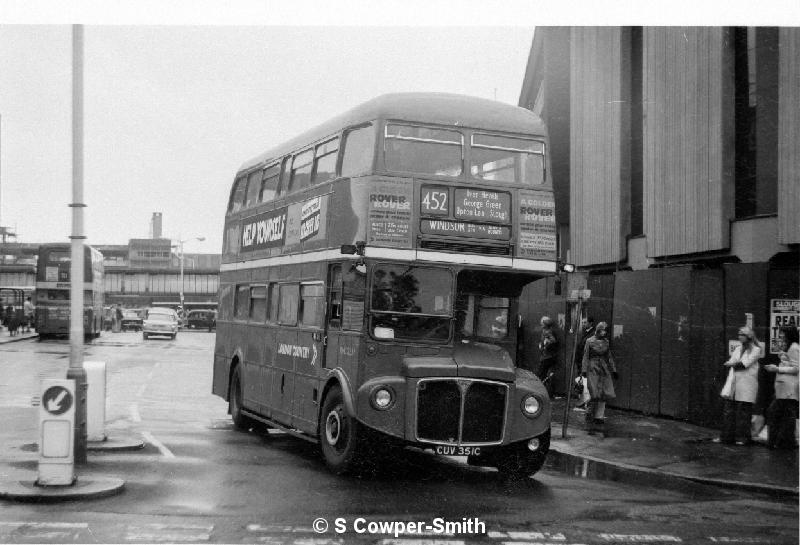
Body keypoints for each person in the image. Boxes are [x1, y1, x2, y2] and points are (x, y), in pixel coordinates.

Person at [717, 326, 762, 445]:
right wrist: (733, 364)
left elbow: (744, 364)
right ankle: (726, 437)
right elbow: (733, 362)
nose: (739, 337)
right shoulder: (737, 349)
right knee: (729, 410)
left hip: (746, 384)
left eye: (742, 334)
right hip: (734, 383)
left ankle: (743, 438)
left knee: (744, 412)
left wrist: (732, 364)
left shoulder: (756, 350)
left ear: (749, 337)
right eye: (739, 334)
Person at [764, 327, 799, 449]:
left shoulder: (794, 347)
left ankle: (781, 442)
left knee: (779, 413)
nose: (780, 337)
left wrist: (777, 368)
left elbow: (796, 368)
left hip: (788, 388)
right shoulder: (790, 346)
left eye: (782, 335)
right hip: (784, 387)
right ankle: (783, 442)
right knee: (783, 414)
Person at [581, 321, 618, 434]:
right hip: (593, 368)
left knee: (603, 392)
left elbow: (609, 356)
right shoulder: (589, 341)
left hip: (603, 368)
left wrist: (614, 369)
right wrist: (584, 370)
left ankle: (599, 416)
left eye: (605, 330)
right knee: (594, 392)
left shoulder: (606, 342)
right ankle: (589, 412)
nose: (604, 332)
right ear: (598, 330)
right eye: (603, 330)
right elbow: (586, 356)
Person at [537, 316, 559, 397]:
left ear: (545, 324)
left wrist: (546, 343)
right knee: (548, 375)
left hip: (547, 357)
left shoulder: (547, 332)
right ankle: (549, 392)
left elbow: (553, 340)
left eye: (542, 323)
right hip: (550, 356)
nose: (541, 324)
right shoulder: (547, 331)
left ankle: (541, 392)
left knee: (541, 374)